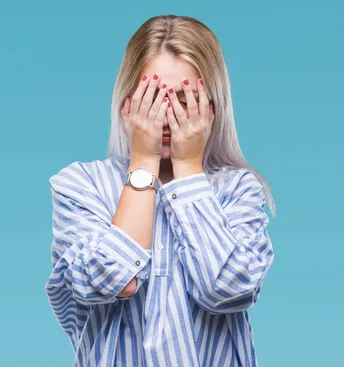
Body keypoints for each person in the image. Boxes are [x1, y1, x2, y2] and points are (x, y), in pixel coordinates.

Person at [44, 15, 276, 367]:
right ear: (126, 105)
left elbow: (228, 288)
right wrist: (143, 164)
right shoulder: (81, 185)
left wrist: (187, 172)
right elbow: (112, 280)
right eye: (153, 98)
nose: (167, 117)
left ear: (212, 109)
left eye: (186, 100)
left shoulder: (237, 190)